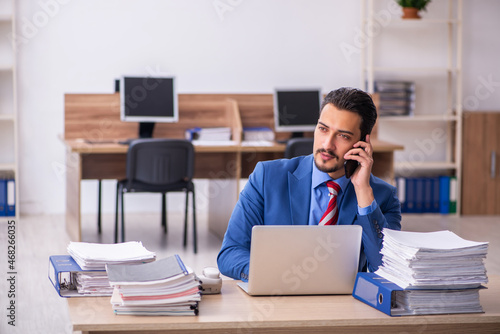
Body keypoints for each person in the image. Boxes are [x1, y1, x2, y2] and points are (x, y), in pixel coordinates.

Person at [217, 87, 402, 281]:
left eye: (343, 136)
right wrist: (274, 274)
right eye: (323, 129)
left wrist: (363, 192)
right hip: (278, 298)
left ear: (362, 144)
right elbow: (230, 253)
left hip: (343, 306)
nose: (327, 145)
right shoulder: (267, 177)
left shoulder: (383, 197)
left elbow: (385, 268)